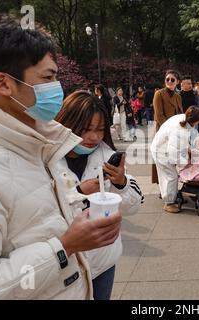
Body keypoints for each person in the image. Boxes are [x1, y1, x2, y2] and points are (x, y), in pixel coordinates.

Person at [0, 14, 122, 299]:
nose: (56, 87)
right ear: (4, 84)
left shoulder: (36, 145)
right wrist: (64, 246)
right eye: (47, 77)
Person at [55, 90, 143, 300]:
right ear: (67, 124)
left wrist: (121, 183)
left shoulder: (106, 156)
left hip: (102, 261)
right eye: (86, 129)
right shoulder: (45, 158)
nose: (93, 137)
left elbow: (134, 206)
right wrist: (79, 193)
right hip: (62, 263)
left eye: (100, 129)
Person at [151, 106, 199, 213]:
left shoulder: (183, 119)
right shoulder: (180, 130)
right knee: (171, 176)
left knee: (167, 175)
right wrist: (186, 164)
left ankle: (171, 197)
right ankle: (169, 203)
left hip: (161, 147)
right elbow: (175, 151)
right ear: (195, 120)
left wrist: (189, 151)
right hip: (162, 151)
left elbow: (181, 144)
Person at [152, 70, 184, 185]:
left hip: (176, 132)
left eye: (172, 80)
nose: (169, 81)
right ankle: (163, 188)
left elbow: (181, 114)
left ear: (177, 82)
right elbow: (159, 115)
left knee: (173, 162)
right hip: (163, 131)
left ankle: (172, 188)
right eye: (167, 79)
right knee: (163, 161)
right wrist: (170, 131)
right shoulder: (159, 94)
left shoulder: (178, 96)